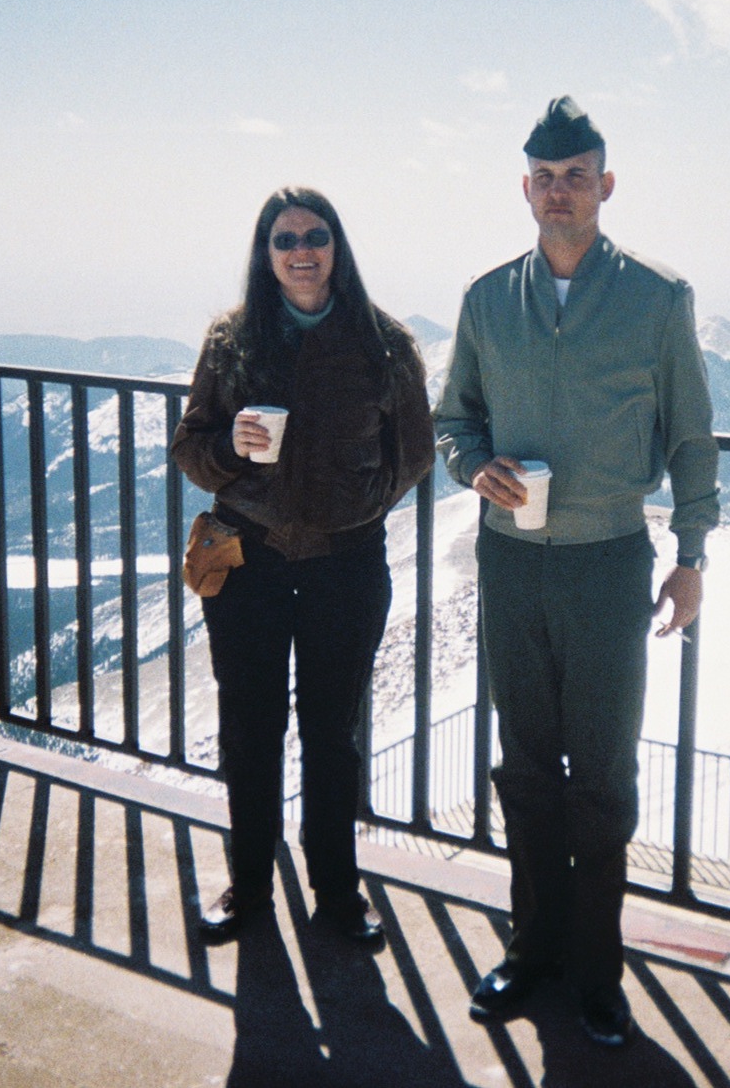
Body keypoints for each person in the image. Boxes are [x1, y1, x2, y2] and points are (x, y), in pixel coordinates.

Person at [434, 96, 719, 1046]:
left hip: (607, 563)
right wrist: (474, 465)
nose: (560, 192)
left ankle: (597, 969)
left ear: (607, 185)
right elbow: (452, 419)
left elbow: (690, 436)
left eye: (577, 176)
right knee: (523, 765)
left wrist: (691, 556)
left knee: (600, 775)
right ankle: (532, 948)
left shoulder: (657, 298)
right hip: (512, 562)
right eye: (545, 178)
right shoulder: (487, 299)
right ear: (525, 189)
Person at [171, 186, 435, 947]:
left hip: (344, 568)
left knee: (331, 733)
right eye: (284, 239)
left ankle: (337, 893)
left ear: (336, 246)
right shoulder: (233, 339)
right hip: (247, 564)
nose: (301, 251)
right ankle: (250, 884)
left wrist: (356, 505)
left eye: (315, 236)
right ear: (266, 254)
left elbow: (414, 451)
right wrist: (230, 449)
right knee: (249, 729)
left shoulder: (384, 342)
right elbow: (191, 446)